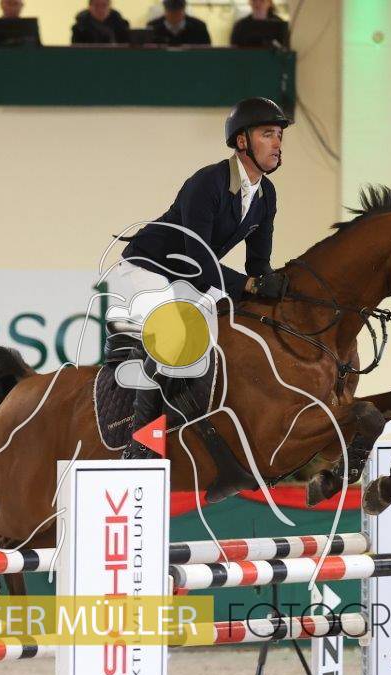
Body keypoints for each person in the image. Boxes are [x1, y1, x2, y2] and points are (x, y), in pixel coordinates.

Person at [117, 96, 290, 461]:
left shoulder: (266, 195)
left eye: (279, 135)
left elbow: (258, 264)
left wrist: (279, 286)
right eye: (267, 134)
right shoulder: (208, 182)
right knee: (176, 332)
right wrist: (248, 285)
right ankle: (140, 440)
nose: (277, 143)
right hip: (149, 266)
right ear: (242, 141)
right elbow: (197, 260)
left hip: (191, 274)